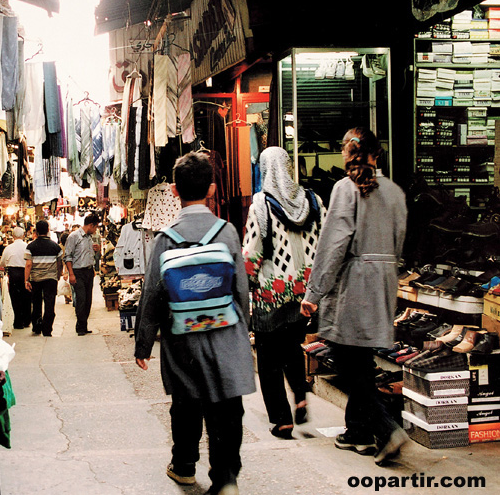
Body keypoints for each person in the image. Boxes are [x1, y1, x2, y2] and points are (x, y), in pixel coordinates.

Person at [134, 151, 255, 495]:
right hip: (224, 331)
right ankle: (226, 477)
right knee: (226, 404)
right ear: (213, 189)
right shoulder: (227, 232)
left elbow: (152, 295)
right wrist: (242, 329)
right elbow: (241, 289)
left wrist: (143, 344)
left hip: (182, 337)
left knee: (186, 403)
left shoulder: (165, 239)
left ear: (174, 191)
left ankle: (185, 466)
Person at [300, 127, 408, 466]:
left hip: (355, 282)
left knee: (347, 361)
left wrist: (314, 291)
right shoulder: (393, 191)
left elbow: (333, 245)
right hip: (384, 280)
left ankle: (386, 429)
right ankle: (357, 430)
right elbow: (400, 239)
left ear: (347, 154)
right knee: (360, 357)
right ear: (378, 153)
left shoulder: (344, 190)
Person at [242, 147, 325, 439]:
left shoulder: (261, 205)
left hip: (271, 292)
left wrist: (244, 284)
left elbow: (252, 253)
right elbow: (325, 243)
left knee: (267, 357)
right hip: (305, 291)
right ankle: (301, 396)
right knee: (292, 347)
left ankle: (282, 419)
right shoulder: (314, 200)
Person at [24, 220, 63, 336]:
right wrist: (58, 274)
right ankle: (47, 329)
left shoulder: (30, 246)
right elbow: (60, 263)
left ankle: (36, 326)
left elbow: (28, 264)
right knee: (50, 303)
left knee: (36, 303)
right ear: (47, 230)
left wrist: (26, 280)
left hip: (35, 279)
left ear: (36, 231)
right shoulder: (55, 247)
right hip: (51, 279)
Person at [64, 213, 101, 335]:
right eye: (95, 227)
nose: (95, 230)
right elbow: (68, 256)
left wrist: (96, 250)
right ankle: (80, 327)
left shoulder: (90, 237)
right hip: (78, 272)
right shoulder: (74, 237)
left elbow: (88, 255)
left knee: (88, 300)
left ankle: (83, 326)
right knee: (81, 299)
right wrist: (71, 274)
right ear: (91, 225)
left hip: (89, 271)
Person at [0, 227, 31, 329]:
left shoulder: (8, 248)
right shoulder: (27, 247)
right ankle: (27, 320)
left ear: (13, 236)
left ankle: (18, 321)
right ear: (23, 235)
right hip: (25, 273)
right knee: (26, 297)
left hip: (13, 274)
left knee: (15, 298)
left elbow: (2, 263)